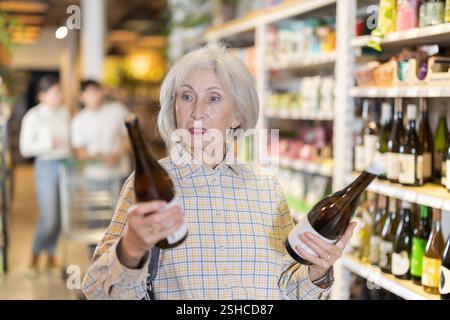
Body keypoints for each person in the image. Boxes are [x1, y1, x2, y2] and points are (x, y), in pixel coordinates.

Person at [82, 44, 356, 300]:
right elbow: (97, 290)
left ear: (237, 114)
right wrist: (130, 248)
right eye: (187, 96)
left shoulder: (265, 188)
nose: (197, 112)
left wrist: (316, 272)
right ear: (174, 107)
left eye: (213, 98)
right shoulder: (152, 185)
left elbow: (288, 286)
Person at [71, 80, 131, 256]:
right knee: (95, 220)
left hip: (119, 175)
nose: (94, 97)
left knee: (120, 218)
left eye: (96, 92)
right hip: (94, 178)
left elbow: (129, 137)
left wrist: (117, 154)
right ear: (82, 97)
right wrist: (99, 157)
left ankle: (121, 259)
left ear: (102, 92)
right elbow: (79, 151)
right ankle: (96, 258)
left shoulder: (117, 111)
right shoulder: (79, 120)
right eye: (89, 93)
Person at [19, 75, 71, 275]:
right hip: (46, 166)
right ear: (42, 95)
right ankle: (33, 257)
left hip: (66, 167)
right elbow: (25, 149)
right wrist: (49, 144)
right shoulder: (33, 116)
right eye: (55, 93)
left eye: (59, 92)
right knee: (49, 217)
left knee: (61, 216)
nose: (59, 96)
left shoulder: (64, 113)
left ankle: (50, 257)